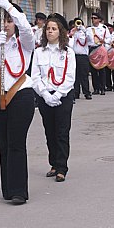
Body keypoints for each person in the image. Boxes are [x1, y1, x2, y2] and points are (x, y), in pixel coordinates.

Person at [0, 0, 36, 205]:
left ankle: (19, 191)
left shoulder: (24, 43)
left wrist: (10, 8)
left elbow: (27, 29)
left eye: (9, 21)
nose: (7, 25)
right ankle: (7, 187)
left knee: (16, 143)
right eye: (2, 20)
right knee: (3, 144)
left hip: (20, 93)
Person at [31, 14, 76, 182]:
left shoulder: (68, 52)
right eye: (48, 29)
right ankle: (54, 163)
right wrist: (44, 94)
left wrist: (58, 94)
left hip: (63, 95)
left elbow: (70, 77)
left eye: (53, 29)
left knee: (62, 131)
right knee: (49, 130)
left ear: (60, 31)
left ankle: (62, 167)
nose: (50, 32)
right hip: (44, 95)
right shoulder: (39, 52)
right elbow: (35, 76)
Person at [69, 17, 93, 99]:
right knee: (75, 76)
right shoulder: (73, 33)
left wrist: (84, 30)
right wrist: (71, 35)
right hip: (74, 56)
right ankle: (76, 93)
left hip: (83, 56)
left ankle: (87, 92)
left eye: (79, 23)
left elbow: (91, 40)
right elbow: (69, 45)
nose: (77, 25)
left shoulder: (85, 32)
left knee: (84, 75)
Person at [87, 12, 109, 95]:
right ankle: (96, 88)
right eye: (92, 18)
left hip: (100, 48)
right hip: (92, 50)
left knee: (102, 70)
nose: (93, 20)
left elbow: (108, 38)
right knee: (93, 71)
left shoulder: (103, 28)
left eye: (95, 18)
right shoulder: (89, 29)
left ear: (99, 19)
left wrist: (105, 41)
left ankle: (102, 87)